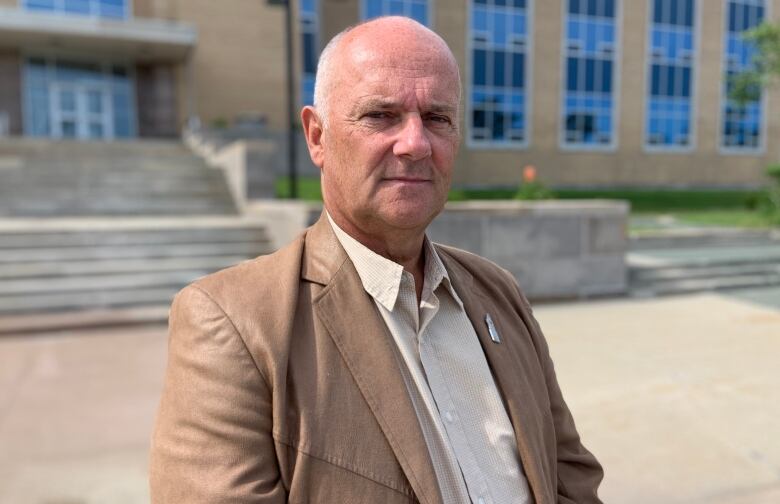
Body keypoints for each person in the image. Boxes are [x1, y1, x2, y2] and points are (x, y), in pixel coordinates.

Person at [150, 16, 603, 504]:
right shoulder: (233, 323)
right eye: (380, 116)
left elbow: (568, 474)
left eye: (437, 118)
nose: (415, 143)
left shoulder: (499, 293)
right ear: (317, 136)